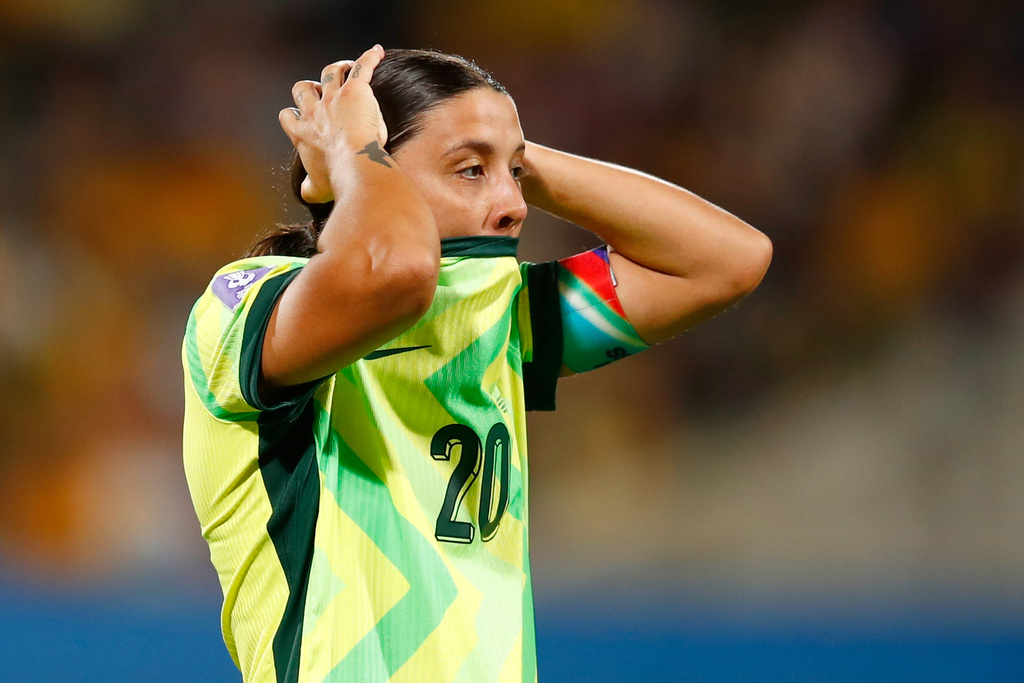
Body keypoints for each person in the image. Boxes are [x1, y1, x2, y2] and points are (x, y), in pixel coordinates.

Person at [182, 45, 771, 683]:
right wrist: (353, 152)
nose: (514, 205)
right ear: (371, 165)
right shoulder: (246, 306)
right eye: (468, 171)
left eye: (513, 176)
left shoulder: (497, 319)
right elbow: (396, 271)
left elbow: (726, 260)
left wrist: (505, 152)